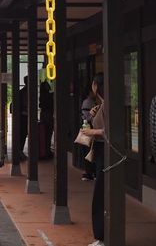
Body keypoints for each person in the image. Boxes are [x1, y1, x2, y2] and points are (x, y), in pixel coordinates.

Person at [80, 73, 105, 246]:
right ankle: (101, 236)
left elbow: (108, 130)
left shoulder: (107, 103)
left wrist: (92, 132)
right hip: (103, 152)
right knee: (101, 194)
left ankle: (101, 237)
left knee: (100, 195)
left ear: (96, 86)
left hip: (106, 151)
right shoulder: (102, 104)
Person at [80, 81, 99, 181]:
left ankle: (89, 172)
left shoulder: (87, 101)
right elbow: (89, 118)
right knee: (90, 151)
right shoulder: (89, 102)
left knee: (88, 151)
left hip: (86, 129)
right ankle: (91, 172)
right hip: (89, 129)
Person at [39, 80, 54, 159]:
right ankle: (47, 151)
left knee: (45, 134)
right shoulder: (50, 95)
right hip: (48, 116)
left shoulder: (42, 96)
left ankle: (45, 151)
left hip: (44, 116)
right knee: (48, 134)